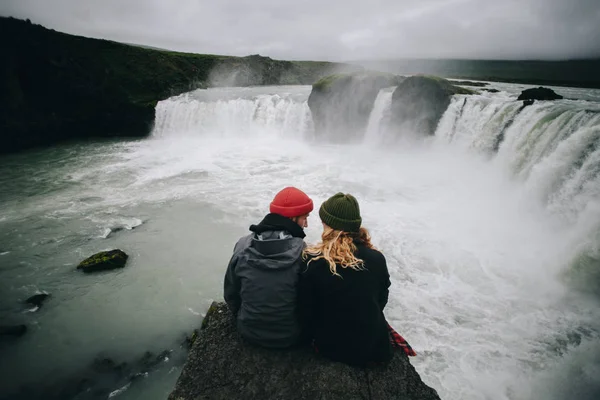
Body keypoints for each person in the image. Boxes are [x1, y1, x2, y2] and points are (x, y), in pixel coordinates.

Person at [299, 192, 416, 367]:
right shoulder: (377, 258)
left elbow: (306, 311)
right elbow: (381, 299)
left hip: (332, 348)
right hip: (375, 348)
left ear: (329, 224)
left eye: (324, 220)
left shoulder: (314, 261)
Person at [223, 186, 313, 349]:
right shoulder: (304, 253)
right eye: (304, 218)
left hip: (248, 331)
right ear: (292, 218)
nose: (306, 224)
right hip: (290, 336)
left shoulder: (243, 245)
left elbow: (231, 292)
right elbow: (307, 303)